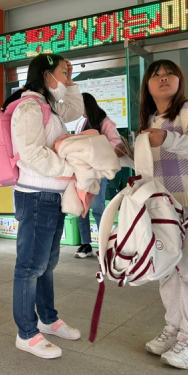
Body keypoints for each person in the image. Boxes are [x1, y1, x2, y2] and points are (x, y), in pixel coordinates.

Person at [134, 60, 188, 370]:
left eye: (168, 73)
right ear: (148, 85)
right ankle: (174, 330)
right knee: (167, 274)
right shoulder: (151, 120)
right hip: (164, 211)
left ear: (179, 79)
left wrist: (167, 139)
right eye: (155, 75)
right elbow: (149, 165)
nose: (162, 78)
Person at [5, 53, 84, 359]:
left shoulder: (48, 105)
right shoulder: (29, 107)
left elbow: (75, 108)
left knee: (46, 265)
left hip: (52, 194)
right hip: (36, 195)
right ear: (47, 74)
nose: (67, 78)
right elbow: (30, 153)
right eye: (63, 72)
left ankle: (47, 319)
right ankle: (26, 332)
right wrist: (69, 163)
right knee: (30, 267)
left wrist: (71, 80)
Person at [74, 93, 121, 259]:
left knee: (98, 208)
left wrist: (96, 148)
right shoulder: (81, 122)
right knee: (81, 209)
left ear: (87, 105)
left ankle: (105, 244)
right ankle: (85, 244)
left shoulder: (105, 122)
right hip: (82, 172)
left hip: (99, 172)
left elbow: (116, 143)